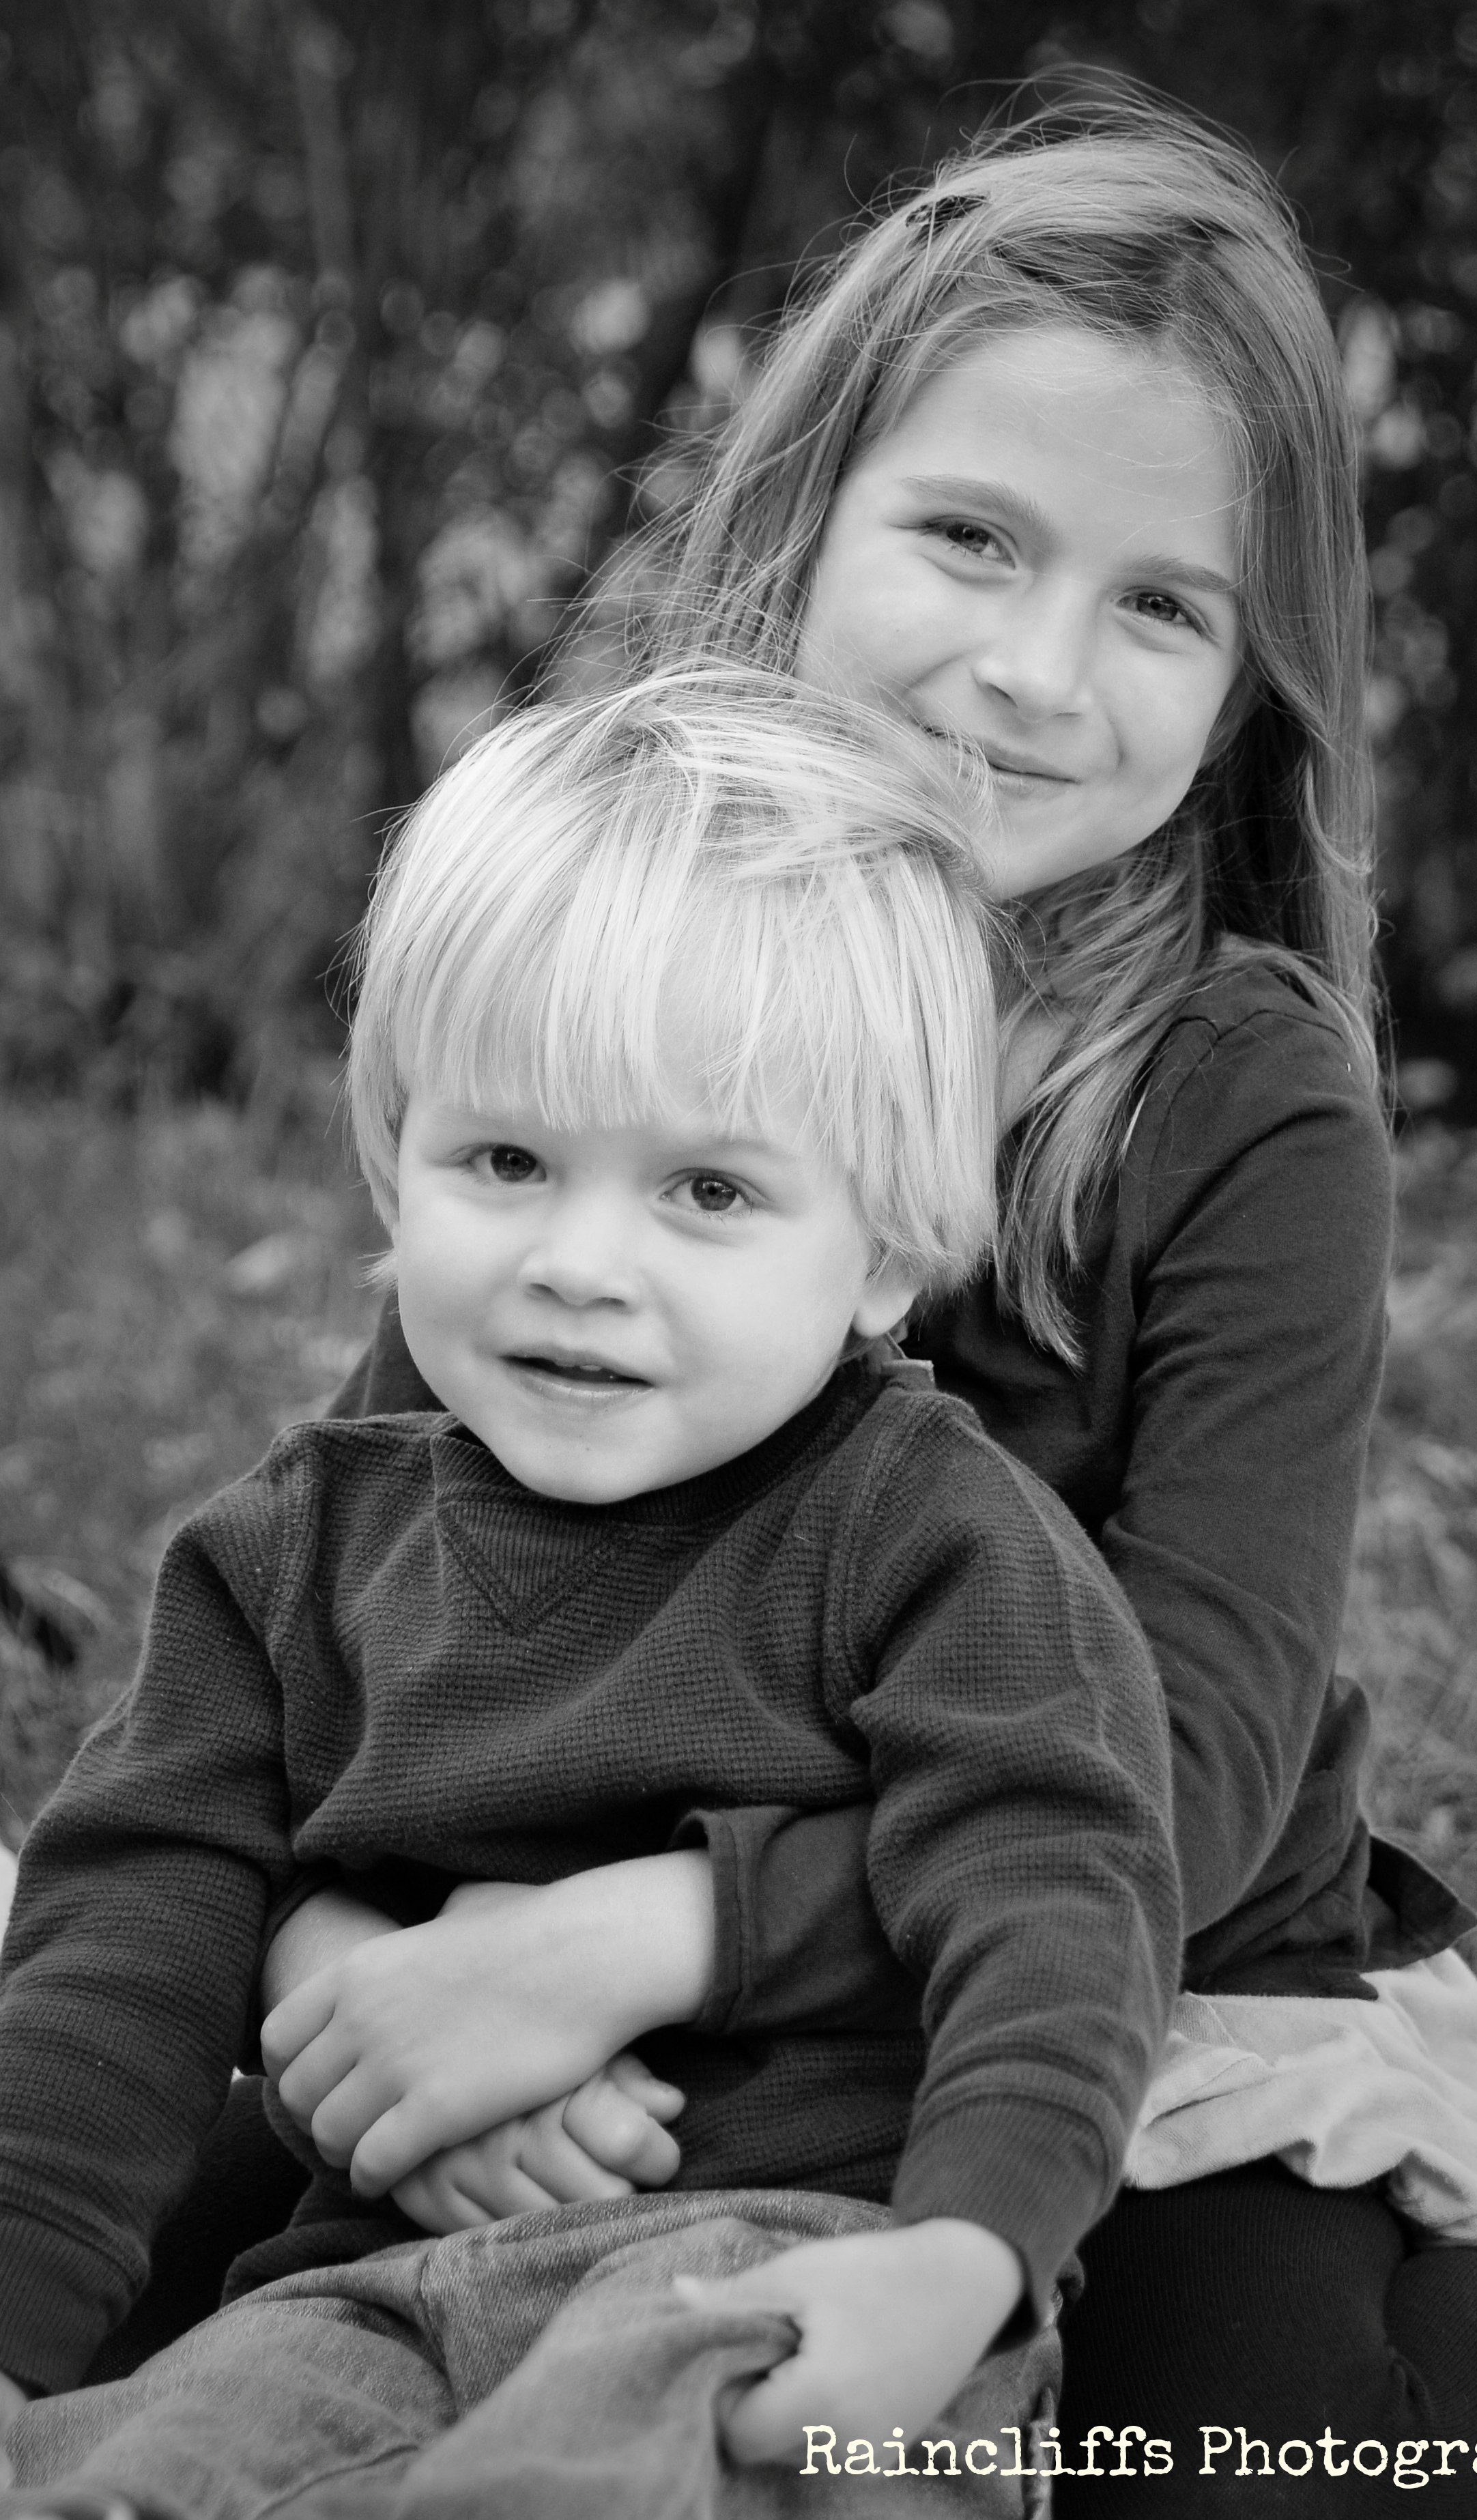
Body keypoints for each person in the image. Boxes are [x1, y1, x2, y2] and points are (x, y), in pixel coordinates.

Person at [45, 83, 1477, 2515]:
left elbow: (1179, 1763)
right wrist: (363, 1978)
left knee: (1214, 2448)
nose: (1033, 670)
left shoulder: (1234, 1099)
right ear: (809, 517)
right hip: (622, 1965)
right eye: (970, 537)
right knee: (153, 2277)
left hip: (1121, 1955)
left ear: (1251, 678)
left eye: (1159, 604)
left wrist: (639, 1939)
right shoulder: (623, 957)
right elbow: (363, 1614)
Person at [0, 671, 1181, 2518]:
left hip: (793, 2261)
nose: (579, 1261)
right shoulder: (287, 1557)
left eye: (706, 1189)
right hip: (373, 2276)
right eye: (506, 1160)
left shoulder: (935, 1541)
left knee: (643, 2470)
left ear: (882, 1252)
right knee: (158, 2467)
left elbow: (1063, 1906)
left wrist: (966, 2259)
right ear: (394, 1162)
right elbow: (122, 1950)